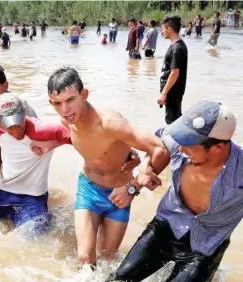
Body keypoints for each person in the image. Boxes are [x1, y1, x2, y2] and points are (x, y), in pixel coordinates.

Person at [36, 67, 168, 268]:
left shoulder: (110, 123)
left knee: (107, 260)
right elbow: (88, 142)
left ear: (84, 94)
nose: (65, 109)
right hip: (89, 188)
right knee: (85, 259)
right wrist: (49, 145)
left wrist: (133, 188)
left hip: (120, 194)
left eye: (70, 100)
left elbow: (160, 149)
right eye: (57, 103)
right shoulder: (66, 119)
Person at [107, 100, 241, 282]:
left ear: (218, 147)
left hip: (206, 246)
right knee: (118, 280)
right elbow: (158, 145)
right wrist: (141, 173)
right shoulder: (177, 144)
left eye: (189, 143)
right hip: (167, 225)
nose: (181, 148)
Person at [0, 93, 70, 238]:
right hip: (3, 191)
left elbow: (80, 133)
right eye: (8, 124)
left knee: (31, 238)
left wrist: (51, 143)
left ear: (24, 112)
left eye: (18, 121)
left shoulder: (42, 129)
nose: (14, 128)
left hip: (32, 196)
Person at [158, 15, 188, 125]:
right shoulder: (176, 46)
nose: (162, 32)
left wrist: (164, 93)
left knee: (172, 121)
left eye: (163, 29)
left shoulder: (177, 48)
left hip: (173, 91)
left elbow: (175, 73)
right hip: (172, 90)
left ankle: (178, 142)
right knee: (175, 118)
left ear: (169, 29)